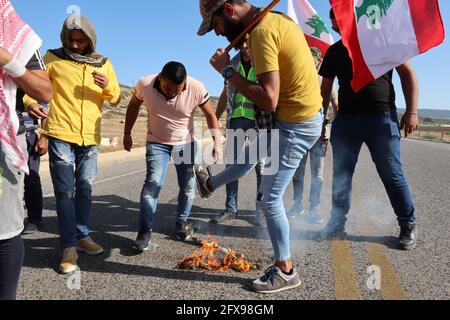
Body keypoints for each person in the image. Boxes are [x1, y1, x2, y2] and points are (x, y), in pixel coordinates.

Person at [197, 0, 324, 293]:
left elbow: (268, 99)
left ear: (228, 10)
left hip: (296, 124)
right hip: (286, 120)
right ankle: (210, 183)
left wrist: (227, 72)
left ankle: (286, 270)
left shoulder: (263, 31)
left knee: (270, 198)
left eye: (214, 25)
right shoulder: (272, 21)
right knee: (248, 158)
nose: (217, 34)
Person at [24, 15, 121, 274]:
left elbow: (115, 98)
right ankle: (68, 247)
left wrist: (108, 84)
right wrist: (29, 102)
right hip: (60, 133)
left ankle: (82, 236)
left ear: (91, 39)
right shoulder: (53, 58)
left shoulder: (103, 63)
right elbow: (33, 84)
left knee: (86, 190)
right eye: (71, 40)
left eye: (81, 40)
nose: (76, 45)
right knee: (65, 193)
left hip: (90, 137)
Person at [319, 9, 419, 251]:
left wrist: (412, 111)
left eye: (339, 20)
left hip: (381, 118)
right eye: (334, 23)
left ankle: (408, 224)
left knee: (392, 173)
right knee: (342, 176)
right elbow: (325, 88)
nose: (337, 25)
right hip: (346, 121)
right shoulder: (334, 51)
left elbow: (407, 74)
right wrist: (322, 118)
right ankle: (336, 223)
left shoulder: (381, 40)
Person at [123, 61, 222, 252]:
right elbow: (133, 105)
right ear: (160, 78)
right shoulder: (145, 84)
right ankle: (144, 232)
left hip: (186, 143)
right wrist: (127, 133)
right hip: (157, 142)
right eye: (168, 88)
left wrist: (217, 143)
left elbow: (210, 114)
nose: (172, 94)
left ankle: (181, 224)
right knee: (152, 184)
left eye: (178, 90)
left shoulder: (196, 87)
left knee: (187, 186)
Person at [0, 0, 52, 300]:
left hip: (5, 144)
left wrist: (7, 60)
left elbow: (44, 91)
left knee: (5, 231)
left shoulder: (14, 34)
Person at [209, 41, 265, 225]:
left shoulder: (263, 60)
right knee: (232, 166)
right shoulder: (232, 63)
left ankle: (260, 211)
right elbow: (226, 93)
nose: (245, 45)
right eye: (241, 43)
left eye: (249, 41)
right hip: (235, 119)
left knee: (262, 167)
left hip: (258, 121)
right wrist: (215, 117)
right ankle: (230, 208)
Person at [286, 48, 339, 224]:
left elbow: (336, 105)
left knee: (317, 174)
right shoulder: (297, 78)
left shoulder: (325, 80)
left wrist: (331, 125)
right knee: (297, 172)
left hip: (321, 135)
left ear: (319, 61)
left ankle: (314, 208)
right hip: (300, 133)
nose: (309, 61)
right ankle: (297, 204)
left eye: (313, 59)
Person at [22, 104, 47, 234]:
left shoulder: (28, 83)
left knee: (31, 179)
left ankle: (34, 220)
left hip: (28, 137)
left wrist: (44, 137)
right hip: (4, 135)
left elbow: (45, 109)